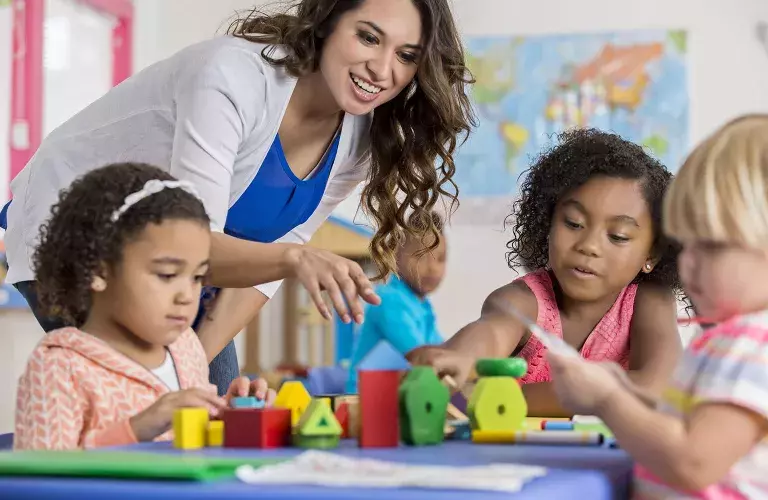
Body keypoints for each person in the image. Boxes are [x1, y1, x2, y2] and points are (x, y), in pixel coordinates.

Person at [0, 0, 475, 395]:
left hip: (175, 270)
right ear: (328, 23)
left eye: (407, 55)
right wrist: (292, 261)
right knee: (125, 410)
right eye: (368, 37)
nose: (383, 69)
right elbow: (195, 244)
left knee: (207, 409)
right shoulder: (231, 75)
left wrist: (188, 370)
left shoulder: (359, 139)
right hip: (81, 244)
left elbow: (268, 261)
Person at [548, 115, 768, 498]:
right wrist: (625, 390)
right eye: (688, 243)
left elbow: (692, 460)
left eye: (713, 246)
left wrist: (606, 400)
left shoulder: (754, 345)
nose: (690, 262)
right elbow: (691, 421)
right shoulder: (729, 338)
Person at [408, 129, 684, 416]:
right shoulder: (522, 301)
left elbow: (656, 388)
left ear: (651, 254)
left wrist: (502, 398)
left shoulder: (648, 301)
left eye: (618, 236)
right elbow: (490, 332)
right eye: (574, 223)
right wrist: (460, 358)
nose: (589, 246)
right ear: (548, 225)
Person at [14, 163, 276, 450]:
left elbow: (190, 442)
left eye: (197, 277)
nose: (188, 296)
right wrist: (138, 429)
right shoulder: (60, 365)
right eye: (166, 275)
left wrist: (229, 413)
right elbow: (42, 478)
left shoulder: (185, 347)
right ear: (98, 272)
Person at [345, 211, 446, 393]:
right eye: (421, 255)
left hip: (398, 397)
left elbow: (443, 351)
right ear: (397, 255)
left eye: (440, 258)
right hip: (364, 402)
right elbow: (423, 357)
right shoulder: (388, 300)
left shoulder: (422, 306)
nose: (433, 267)